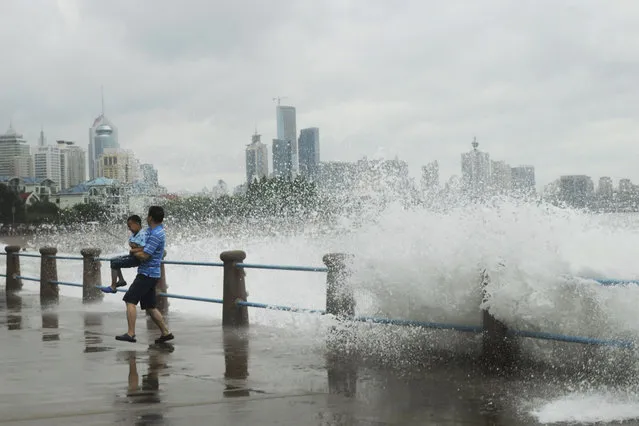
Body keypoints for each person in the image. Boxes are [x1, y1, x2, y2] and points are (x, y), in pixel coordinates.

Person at [115, 206, 173, 344]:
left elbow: (145, 256)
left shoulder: (156, 235)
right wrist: (136, 248)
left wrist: (133, 252)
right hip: (151, 274)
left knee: (130, 300)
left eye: (148, 215)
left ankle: (131, 333)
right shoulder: (153, 231)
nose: (146, 218)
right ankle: (166, 332)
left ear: (151, 217)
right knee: (150, 306)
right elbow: (142, 246)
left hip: (147, 274)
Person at [102, 215, 146, 294]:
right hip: (132, 256)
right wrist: (134, 246)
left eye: (130, 226)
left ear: (137, 223)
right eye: (128, 226)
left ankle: (113, 286)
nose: (129, 228)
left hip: (137, 259)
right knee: (113, 260)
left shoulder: (143, 234)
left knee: (115, 263)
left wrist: (133, 249)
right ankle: (121, 280)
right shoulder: (135, 234)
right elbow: (132, 243)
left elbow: (144, 248)